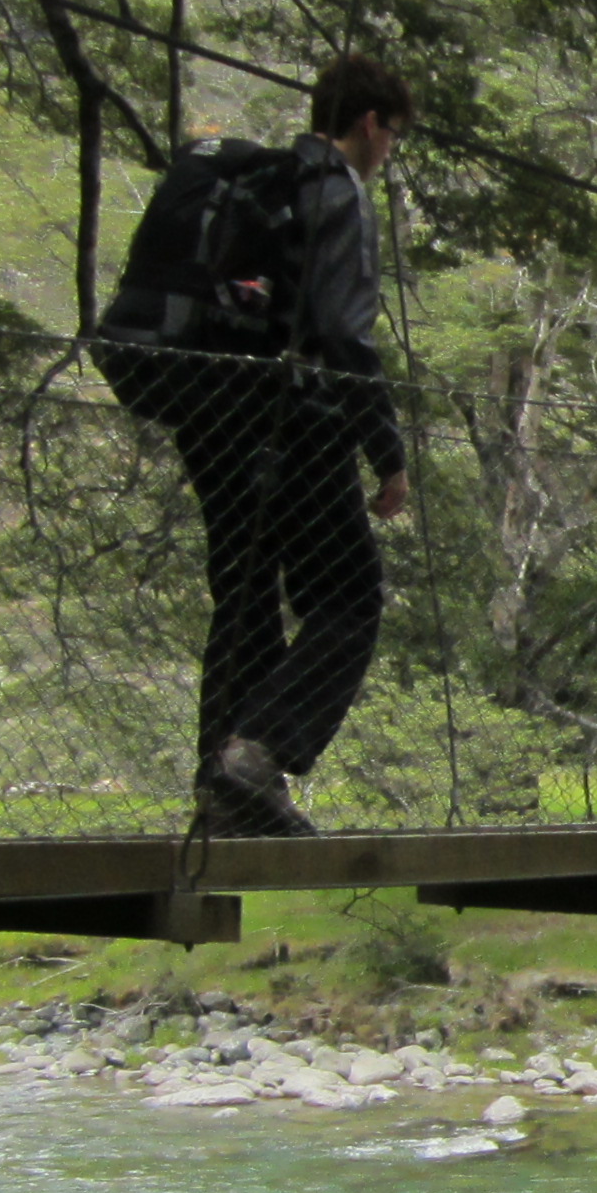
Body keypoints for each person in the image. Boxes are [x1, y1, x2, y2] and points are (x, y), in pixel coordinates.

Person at [119, 52, 416, 840]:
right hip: (293, 418)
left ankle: (223, 793)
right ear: (370, 123)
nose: (389, 152)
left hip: (204, 406)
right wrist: (386, 449)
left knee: (246, 590)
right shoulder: (334, 191)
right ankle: (258, 754)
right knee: (348, 596)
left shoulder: (255, 183)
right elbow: (343, 334)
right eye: (392, 135)